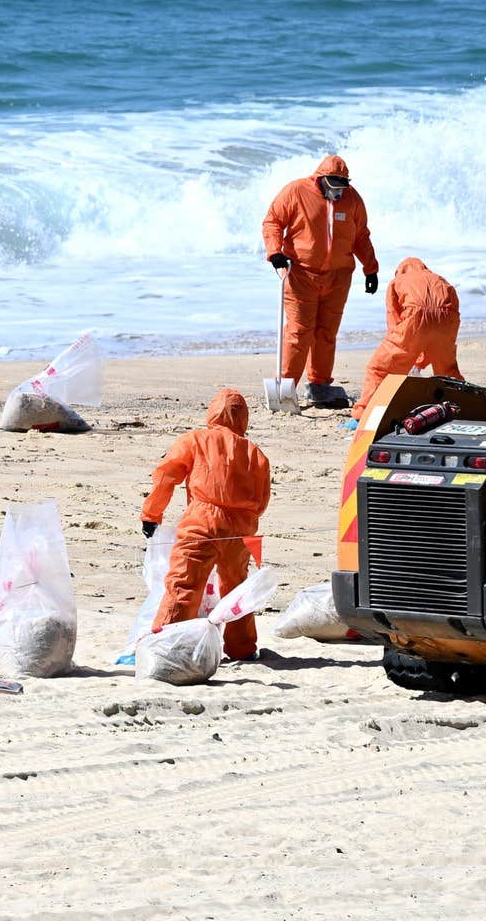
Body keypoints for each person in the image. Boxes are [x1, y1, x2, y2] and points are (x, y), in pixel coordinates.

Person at [142, 389, 271, 662]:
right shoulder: (255, 453)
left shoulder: (195, 440)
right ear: (243, 419)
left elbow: (166, 475)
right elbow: (261, 501)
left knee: (184, 585)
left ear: (212, 412)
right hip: (242, 528)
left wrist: (151, 515)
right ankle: (242, 648)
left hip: (202, 520)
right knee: (237, 589)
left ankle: (169, 644)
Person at [262, 154, 379, 409]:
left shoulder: (353, 200)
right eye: (333, 186)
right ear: (321, 179)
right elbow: (273, 222)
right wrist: (275, 252)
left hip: (338, 277)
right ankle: (287, 387)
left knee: (326, 333)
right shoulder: (295, 191)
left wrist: (371, 268)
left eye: (341, 187)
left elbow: (361, 236)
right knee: (299, 333)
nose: (337, 192)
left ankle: (319, 385)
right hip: (301, 274)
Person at [355, 256, 464, 417]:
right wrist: (420, 361)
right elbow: (453, 313)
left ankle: (364, 415)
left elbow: (394, 321)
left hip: (415, 318)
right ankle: (462, 405)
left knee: (379, 369)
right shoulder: (441, 279)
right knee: (447, 370)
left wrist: (406, 355)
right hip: (447, 321)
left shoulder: (397, 282)